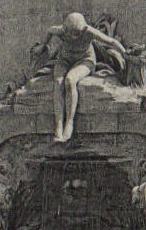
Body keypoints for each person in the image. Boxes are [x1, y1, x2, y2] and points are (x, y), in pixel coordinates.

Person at [38, 12, 126, 144]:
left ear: (83, 29)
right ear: (65, 29)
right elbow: (50, 31)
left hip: (85, 60)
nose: (74, 36)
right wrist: (42, 45)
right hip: (64, 60)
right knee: (58, 82)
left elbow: (111, 41)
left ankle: (69, 123)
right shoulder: (61, 30)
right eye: (71, 33)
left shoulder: (88, 31)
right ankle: (58, 125)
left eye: (77, 33)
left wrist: (125, 54)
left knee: (70, 80)